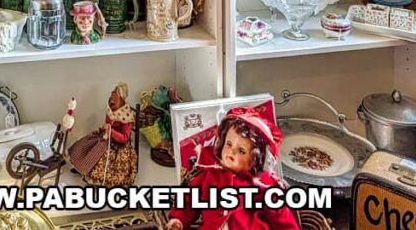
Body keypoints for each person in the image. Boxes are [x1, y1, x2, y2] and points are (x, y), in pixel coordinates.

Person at [167, 107, 299, 230]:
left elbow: (281, 216)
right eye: (229, 144)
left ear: (256, 160)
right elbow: (189, 200)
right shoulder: (209, 175)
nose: (231, 152)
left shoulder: (263, 185)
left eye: (241, 151)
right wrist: (179, 219)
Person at [67, 84, 138, 186]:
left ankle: (93, 176)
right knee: (87, 143)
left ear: (120, 96)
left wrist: (111, 131)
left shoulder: (127, 116)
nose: (111, 94)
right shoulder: (111, 107)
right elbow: (107, 122)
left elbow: (124, 138)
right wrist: (105, 128)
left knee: (101, 153)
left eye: (114, 93)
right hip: (107, 136)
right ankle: (81, 166)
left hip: (118, 143)